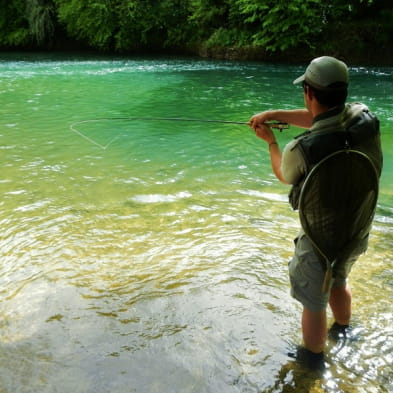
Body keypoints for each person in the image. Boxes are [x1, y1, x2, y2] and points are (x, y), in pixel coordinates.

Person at [249, 56, 383, 365]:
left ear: (308, 93)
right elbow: (324, 120)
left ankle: (312, 360)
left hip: (320, 236)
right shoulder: (363, 116)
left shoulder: (301, 149)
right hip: (357, 224)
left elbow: (285, 174)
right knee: (339, 278)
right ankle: (346, 331)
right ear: (343, 91)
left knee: (313, 302)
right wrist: (272, 114)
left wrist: (270, 141)